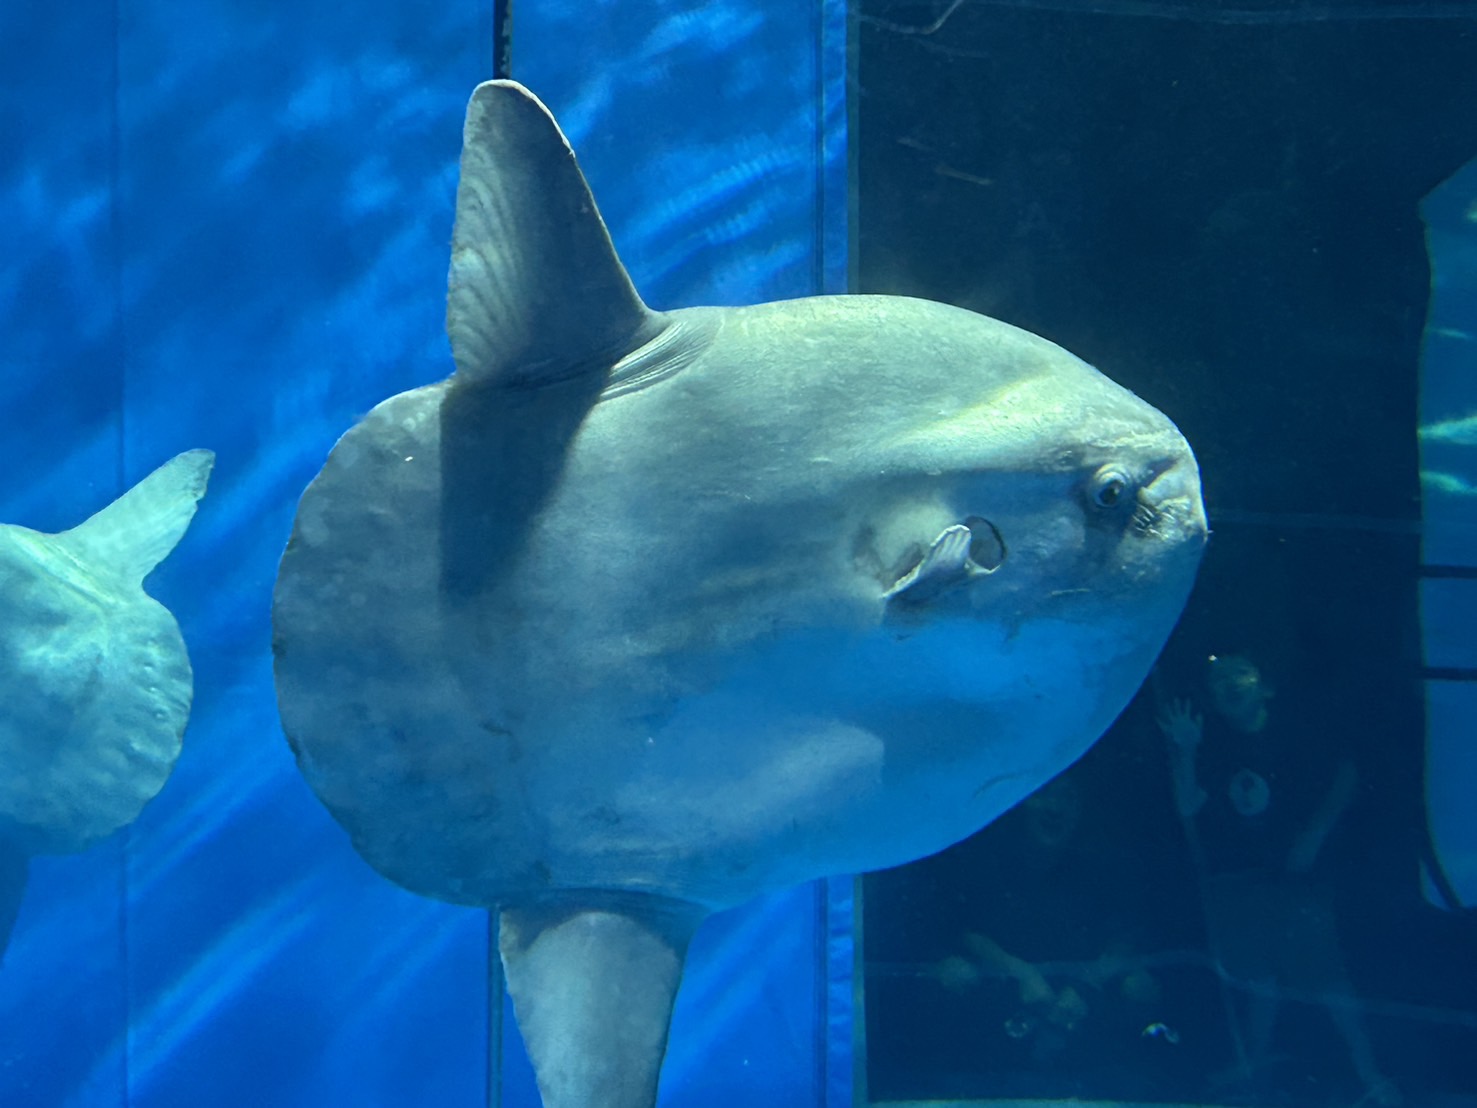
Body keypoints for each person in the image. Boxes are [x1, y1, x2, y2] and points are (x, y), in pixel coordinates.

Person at [1158, 654, 1400, 1106]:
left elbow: (1347, 775)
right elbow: (1189, 804)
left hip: (1297, 878)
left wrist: (1313, 837)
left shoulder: (1297, 731)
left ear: (1265, 686)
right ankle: (1255, 1065)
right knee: (1259, 979)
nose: (1229, 683)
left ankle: (1373, 1078)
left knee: (1328, 979)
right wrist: (1185, 750)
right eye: (1218, 678)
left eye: (1239, 673)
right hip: (1237, 878)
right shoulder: (1211, 740)